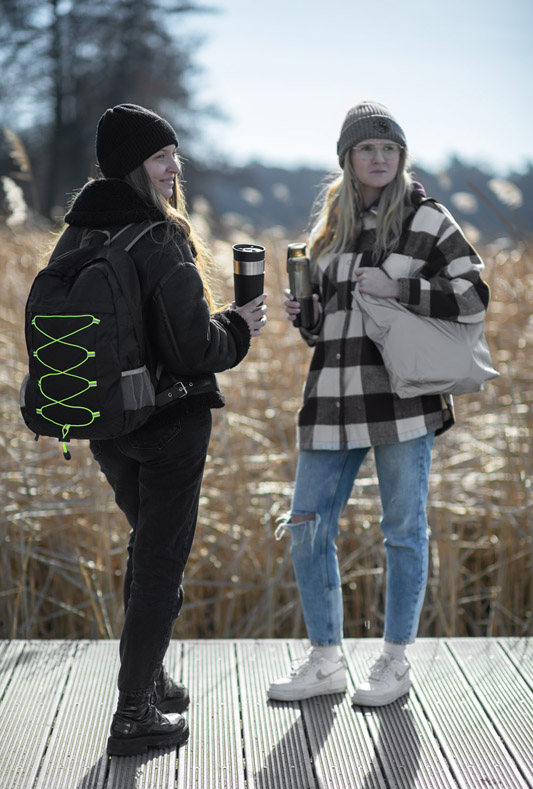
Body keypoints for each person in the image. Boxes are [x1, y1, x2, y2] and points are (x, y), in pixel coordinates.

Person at [51, 103, 267, 755]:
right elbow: (194, 349)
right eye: (158, 157)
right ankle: (133, 713)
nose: (174, 168)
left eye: (174, 154)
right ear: (130, 166)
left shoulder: (76, 234)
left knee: (146, 549)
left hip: (106, 421)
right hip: (170, 420)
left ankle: (148, 678)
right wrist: (238, 327)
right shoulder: (158, 234)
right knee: (159, 563)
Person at [268, 101, 489, 707]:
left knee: (403, 531)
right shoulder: (331, 229)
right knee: (306, 527)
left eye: (390, 148)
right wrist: (306, 316)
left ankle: (394, 661)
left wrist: (401, 287)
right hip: (331, 398)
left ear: (401, 157)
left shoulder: (427, 219)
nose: (380, 158)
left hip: (401, 401)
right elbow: (323, 332)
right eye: (367, 148)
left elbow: (475, 295)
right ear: (348, 158)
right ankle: (325, 660)